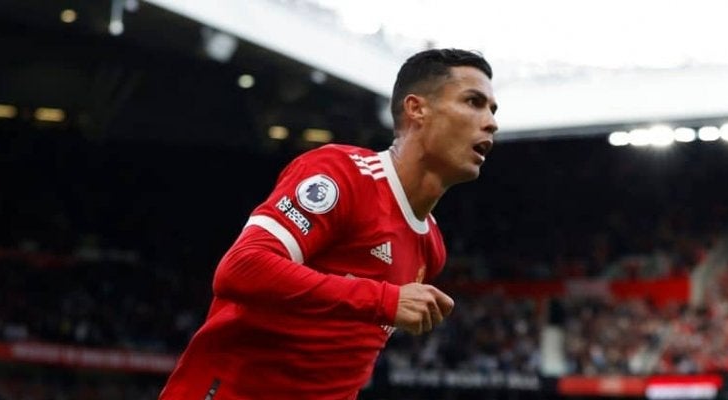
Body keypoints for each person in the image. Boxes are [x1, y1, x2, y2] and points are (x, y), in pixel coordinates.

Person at [159, 48, 499, 400]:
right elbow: (241, 268)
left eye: (492, 109)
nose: (491, 122)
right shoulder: (342, 176)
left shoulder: (431, 248)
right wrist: (383, 299)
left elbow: (340, 366)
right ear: (417, 109)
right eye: (473, 102)